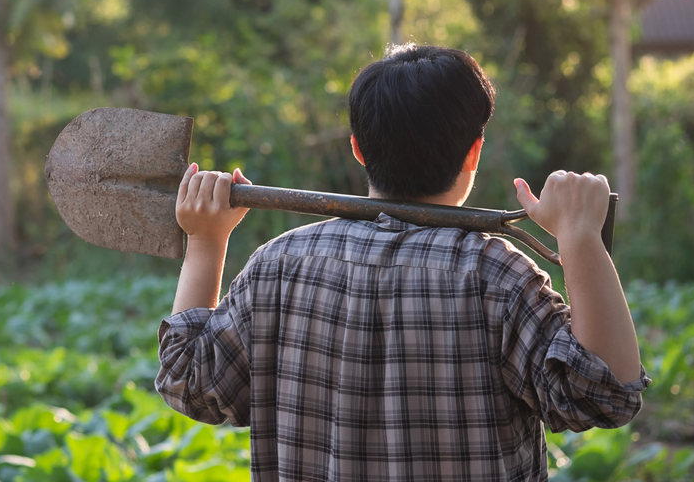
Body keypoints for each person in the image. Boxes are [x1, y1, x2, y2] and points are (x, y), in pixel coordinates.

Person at [155, 44, 649, 482]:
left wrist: (205, 241)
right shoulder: (496, 275)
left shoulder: (276, 266)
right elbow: (604, 396)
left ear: (358, 149)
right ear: (474, 152)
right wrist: (580, 239)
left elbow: (188, 381)